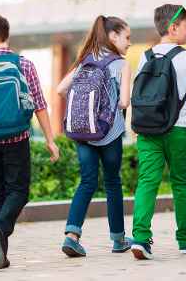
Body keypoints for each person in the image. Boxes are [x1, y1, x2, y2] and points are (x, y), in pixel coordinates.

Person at [0, 13, 60, 269]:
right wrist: (50, 139)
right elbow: (40, 105)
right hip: (17, 137)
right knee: (19, 190)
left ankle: (0, 255)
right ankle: (1, 229)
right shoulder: (24, 64)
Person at [130, 4, 186, 260]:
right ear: (173, 27)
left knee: (147, 182)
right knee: (182, 183)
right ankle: (185, 238)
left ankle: (140, 238)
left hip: (147, 128)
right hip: (180, 128)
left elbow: (139, 94)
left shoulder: (146, 56)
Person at [56, 15, 133, 257]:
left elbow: (60, 90)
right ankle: (119, 239)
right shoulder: (121, 64)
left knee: (87, 182)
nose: (129, 43)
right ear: (113, 36)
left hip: (81, 133)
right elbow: (123, 102)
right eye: (127, 37)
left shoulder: (85, 61)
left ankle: (72, 235)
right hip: (109, 133)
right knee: (112, 182)